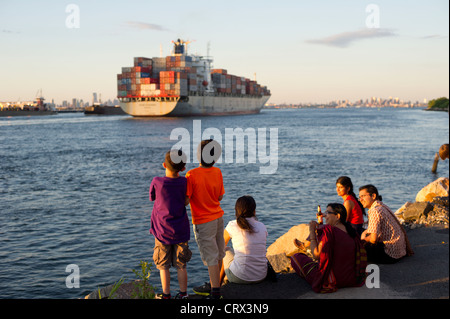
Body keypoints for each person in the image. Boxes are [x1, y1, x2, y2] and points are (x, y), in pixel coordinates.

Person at [291, 203, 367, 293]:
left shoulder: (329, 230)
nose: (324, 215)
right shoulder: (352, 232)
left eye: (327, 213)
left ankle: (305, 250)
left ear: (337, 216)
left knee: (296, 257)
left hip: (333, 280)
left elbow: (316, 255)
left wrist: (311, 230)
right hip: (352, 279)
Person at [149, 149, 192, 299]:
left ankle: (166, 295)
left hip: (162, 232)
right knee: (181, 265)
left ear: (164, 165)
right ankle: (183, 294)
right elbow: (186, 200)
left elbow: (152, 197)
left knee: (163, 266)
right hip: (181, 230)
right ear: (183, 168)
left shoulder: (157, 181)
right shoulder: (185, 181)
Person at [187, 139, 226, 299]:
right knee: (218, 253)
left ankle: (215, 292)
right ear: (215, 158)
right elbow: (220, 196)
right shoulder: (217, 172)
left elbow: (186, 199)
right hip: (218, 217)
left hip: (203, 221)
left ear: (198, 156)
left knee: (210, 256)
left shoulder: (192, 174)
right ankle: (214, 284)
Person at [358, 184, 414, 264]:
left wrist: (361, 241)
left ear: (373, 196)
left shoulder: (375, 210)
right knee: (365, 234)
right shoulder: (381, 206)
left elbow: (373, 239)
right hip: (400, 250)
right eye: (359, 197)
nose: (360, 199)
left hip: (390, 254)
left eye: (363, 196)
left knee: (357, 249)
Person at [220, 196, 268, 285]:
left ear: (237, 210)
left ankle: (215, 284)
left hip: (240, 277)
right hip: (261, 275)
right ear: (254, 211)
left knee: (225, 250)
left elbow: (220, 247)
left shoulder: (232, 225)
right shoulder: (262, 226)